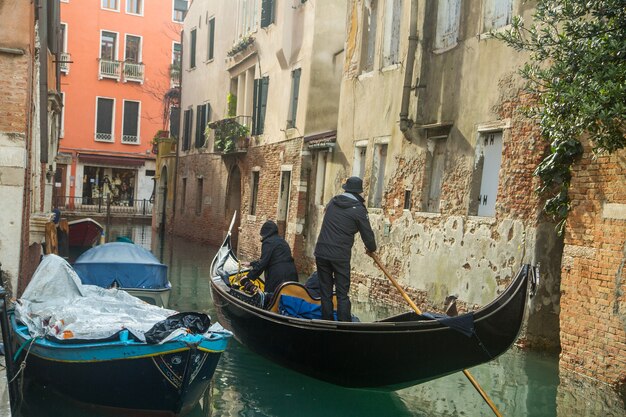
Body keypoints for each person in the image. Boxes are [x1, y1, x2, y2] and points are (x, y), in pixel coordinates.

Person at [314, 176, 377, 321]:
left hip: (321, 252)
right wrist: (371, 248)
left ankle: (326, 322)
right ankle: (344, 325)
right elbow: (367, 235)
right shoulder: (359, 210)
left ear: (346, 189)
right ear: (359, 192)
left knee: (325, 291)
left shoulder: (332, 202)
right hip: (339, 255)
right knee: (342, 293)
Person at [240, 220, 298, 296]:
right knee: (289, 298)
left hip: (278, 276)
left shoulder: (268, 242)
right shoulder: (282, 241)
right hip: (292, 273)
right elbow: (272, 259)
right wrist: (250, 263)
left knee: (271, 299)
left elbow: (263, 263)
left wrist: (248, 276)